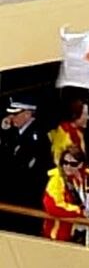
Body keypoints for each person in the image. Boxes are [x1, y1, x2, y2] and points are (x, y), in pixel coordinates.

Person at [1, 98, 52, 235]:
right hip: (10, 195)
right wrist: (4, 131)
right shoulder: (13, 132)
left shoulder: (37, 136)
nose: (11, 118)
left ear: (28, 114)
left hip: (25, 196)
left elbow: (24, 168)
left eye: (15, 114)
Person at [42, 145, 89, 242]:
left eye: (73, 164)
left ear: (81, 164)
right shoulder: (56, 179)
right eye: (65, 162)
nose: (67, 166)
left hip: (84, 233)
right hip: (58, 234)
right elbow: (53, 206)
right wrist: (79, 211)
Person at [49, 99, 89, 165]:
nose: (88, 117)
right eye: (85, 114)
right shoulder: (64, 134)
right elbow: (57, 160)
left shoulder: (79, 132)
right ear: (76, 115)